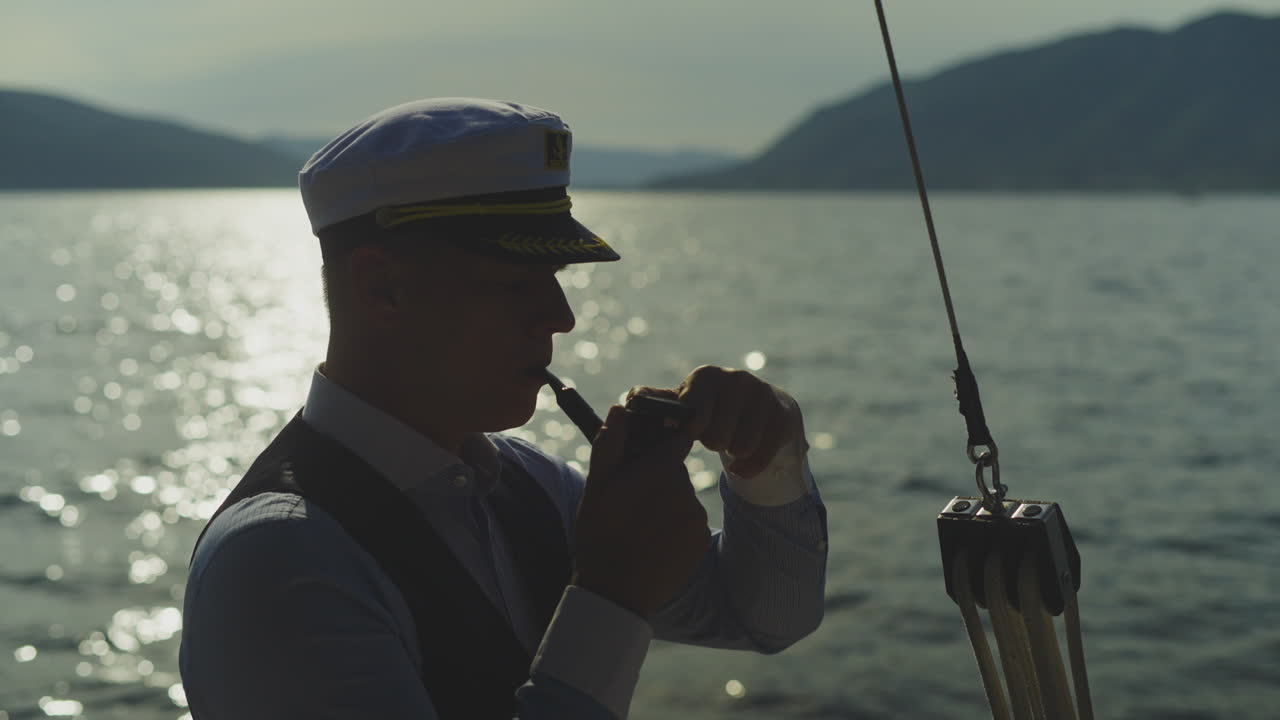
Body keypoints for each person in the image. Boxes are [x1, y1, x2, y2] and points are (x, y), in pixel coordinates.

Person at [178, 97, 828, 719]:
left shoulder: (526, 487)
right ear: (382, 288)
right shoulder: (278, 558)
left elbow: (764, 618)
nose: (562, 317)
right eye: (517, 283)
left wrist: (767, 457)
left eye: (555, 282)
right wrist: (613, 590)